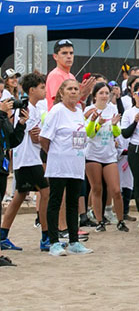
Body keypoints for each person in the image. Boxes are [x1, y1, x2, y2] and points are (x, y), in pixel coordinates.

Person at [40, 79, 90, 256]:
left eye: (76, 89)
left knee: (73, 203)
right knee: (55, 201)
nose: (73, 92)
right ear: (61, 92)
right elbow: (44, 138)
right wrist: (55, 153)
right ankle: (54, 242)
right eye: (69, 89)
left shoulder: (79, 111)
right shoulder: (57, 111)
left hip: (76, 164)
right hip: (59, 165)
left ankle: (74, 241)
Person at [1, 72, 48, 251]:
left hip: (27, 158)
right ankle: (46, 236)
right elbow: (32, 136)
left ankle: (3, 235)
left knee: (19, 196)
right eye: (41, 87)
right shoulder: (26, 108)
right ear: (32, 90)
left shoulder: (35, 108)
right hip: (28, 158)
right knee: (46, 192)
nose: (44, 91)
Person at [84, 82, 126, 233]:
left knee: (115, 189)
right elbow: (88, 134)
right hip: (93, 154)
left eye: (107, 93)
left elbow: (116, 133)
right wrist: (96, 123)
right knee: (96, 189)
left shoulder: (113, 109)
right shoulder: (89, 110)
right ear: (94, 95)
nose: (104, 96)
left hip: (109, 155)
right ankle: (100, 221)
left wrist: (114, 125)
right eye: (101, 93)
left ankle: (121, 220)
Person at [121, 80, 139, 230]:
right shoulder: (129, 112)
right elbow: (125, 134)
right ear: (133, 94)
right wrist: (135, 121)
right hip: (135, 149)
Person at [46, 39, 96, 109]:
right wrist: (81, 94)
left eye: (71, 53)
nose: (69, 56)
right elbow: (59, 103)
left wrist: (84, 96)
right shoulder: (55, 75)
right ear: (55, 56)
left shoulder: (71, 76)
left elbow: (78, 107)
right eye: (64, 53)